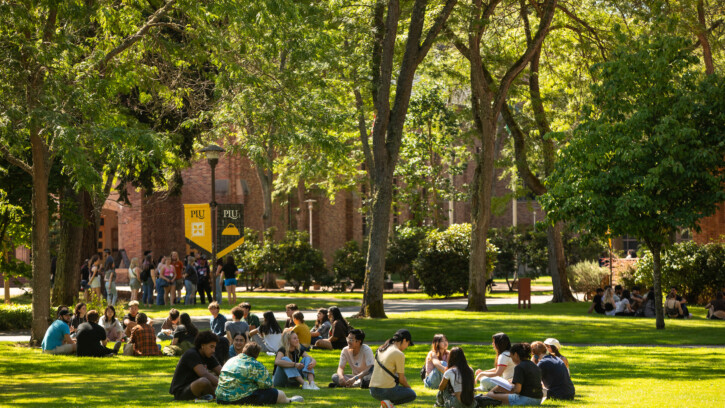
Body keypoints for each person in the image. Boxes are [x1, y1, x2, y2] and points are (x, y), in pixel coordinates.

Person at [216, 342, 304, 405]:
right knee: (277, 393)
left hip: (221, 398)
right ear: (257, 355)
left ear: (243, 351)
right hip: (239, 398)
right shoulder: (256, 365)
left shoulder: (230, 361)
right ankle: (289, 400)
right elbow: (268, 386)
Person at [169, 331, 222, 401]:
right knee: (204, 381)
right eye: (211, 347)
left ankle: (212, 395)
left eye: (214, 347)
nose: (213, 350)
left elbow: (222, 372)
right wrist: (224, 386)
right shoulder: (191, 354)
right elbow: (204, 374)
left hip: (196, 387)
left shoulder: (209, 356)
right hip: (182, 391)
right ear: (202, 346)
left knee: (214, 380)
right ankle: (220, 396)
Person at [369, 329, 416, 407]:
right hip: (386, 390)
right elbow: (402, 379)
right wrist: (409, 388)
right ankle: (388, 404)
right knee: (412, 394)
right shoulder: (398, 354)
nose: (407, 346)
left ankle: (387, 404)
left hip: (373, 390)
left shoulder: (381, 349)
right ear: (404, 340)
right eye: (408, 343)